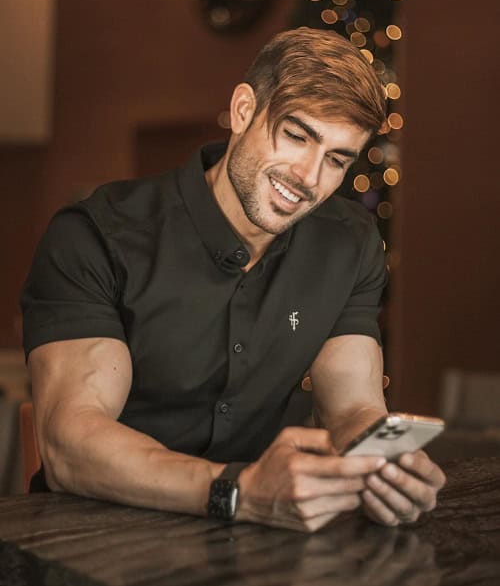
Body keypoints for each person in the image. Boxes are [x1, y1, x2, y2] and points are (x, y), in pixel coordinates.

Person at [21, 27, 445, 531]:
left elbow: (352, 404)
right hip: (92, 535)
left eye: (336, 160)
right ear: (244, 110)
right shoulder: (97, 235)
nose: (310, 178)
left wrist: (383, 464)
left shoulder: (349, 243)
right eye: (296, 135)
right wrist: (237, 491)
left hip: (260, 537)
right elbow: (71, 441)